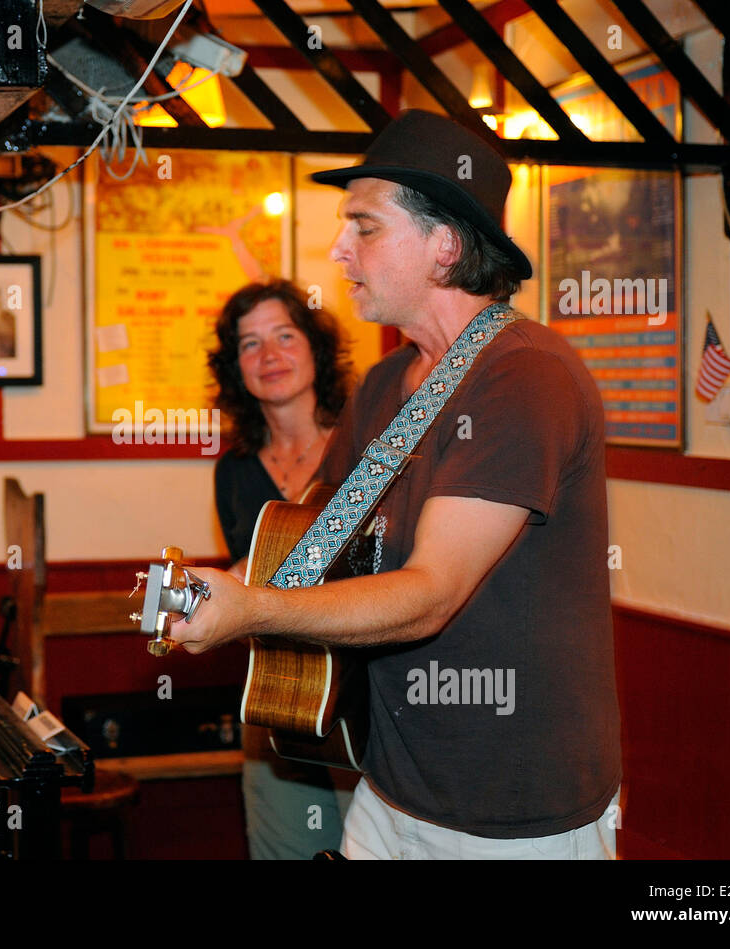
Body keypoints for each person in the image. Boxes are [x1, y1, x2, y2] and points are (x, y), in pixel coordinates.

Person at [174, 110, 622, 859]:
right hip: (388, 786)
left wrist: (253, 608)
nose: (338, 249)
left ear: (444, 246)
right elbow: (315, 537)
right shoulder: (386, 384)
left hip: (513, 811)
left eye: (365, 227)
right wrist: (211, 590)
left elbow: (431, 592)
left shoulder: (524, 377)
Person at [208, 279, 353, 860]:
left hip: (359, 703)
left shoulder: (364, 448)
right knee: (281, 851)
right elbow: (246, 574)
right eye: (249, 344)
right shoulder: (234, 470)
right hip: (271, 694)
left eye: (285, 336)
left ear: (316, 348)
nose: (269, 356)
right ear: (235, 366)